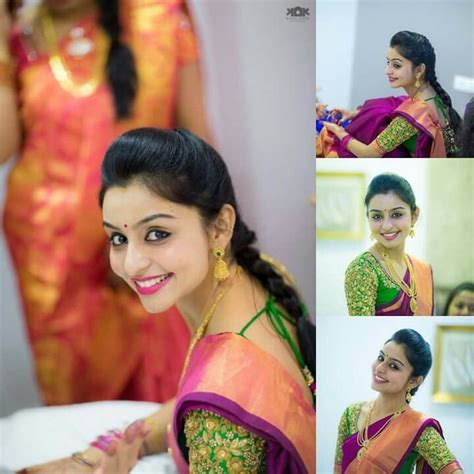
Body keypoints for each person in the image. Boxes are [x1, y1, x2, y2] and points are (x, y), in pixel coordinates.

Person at [20, 128, 316, 473]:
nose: (131, 264)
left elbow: (224, 397)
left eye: (157, 234)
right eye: (118, 237)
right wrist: (111, 449)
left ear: (220, 226)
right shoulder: (262, 275)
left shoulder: (220, 415)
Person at [1, 0, 210, 405]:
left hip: (149, 249)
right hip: (52, 265)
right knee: (78, 411)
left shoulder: (160, 17)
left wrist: (154, 241)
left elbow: (196, 141)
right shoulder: (21, 35)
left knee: (168, 401)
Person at [334, 329, 463, 473]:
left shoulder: (419, 428)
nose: (379, 368)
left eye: (393, 366)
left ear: (413, 381)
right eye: (381, 358)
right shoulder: (351, 414)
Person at [316, 31, 461, 158]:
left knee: (328, 140)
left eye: (396, 65)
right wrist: (355, 113)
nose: (387, 71)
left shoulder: (411, 118)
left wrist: (339, 132)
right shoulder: (432, 94)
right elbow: (395, 106)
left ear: (419, 70)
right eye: (388, 62)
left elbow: (368, 154)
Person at [345, 174, 433, 316]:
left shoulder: (423, 269)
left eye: (396, 214)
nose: (386, 226)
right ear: (368, 218)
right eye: (377, 217)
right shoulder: (362, 269)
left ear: (414, 216)